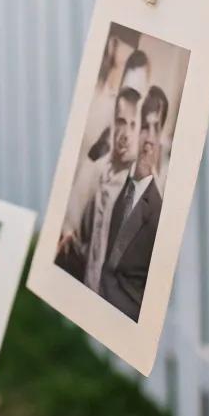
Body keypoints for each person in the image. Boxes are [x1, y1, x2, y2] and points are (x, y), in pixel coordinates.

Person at [57, 87, 140, 284]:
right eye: (120, 121)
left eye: (132, 125)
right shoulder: (94, 169)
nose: (125, 134)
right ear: (112, 123)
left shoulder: (137, 187)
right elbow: (71, 224)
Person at [98, 86, 168, 321]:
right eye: (144, 127)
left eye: (156, 128)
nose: (149, 138)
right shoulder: (115, 186)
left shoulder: (159, 211)